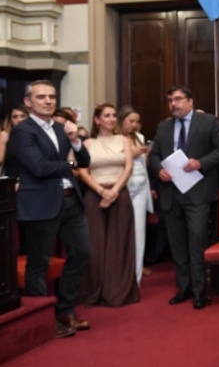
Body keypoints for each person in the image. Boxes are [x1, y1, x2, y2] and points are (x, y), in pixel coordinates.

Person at [5, 80, 91, 338]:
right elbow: (39, 168)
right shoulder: (22, 131)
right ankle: (43, 321)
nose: (48, 101)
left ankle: (65, 310)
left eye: (51, 97)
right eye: (41, 97)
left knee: (81, 253)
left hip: (70, 201)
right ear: (28, 102)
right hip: (40, 204)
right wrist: (70, 165)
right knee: (38, 264)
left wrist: (75, 140)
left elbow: (85, 160)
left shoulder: (61, 128)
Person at [149, 85, 219, 309]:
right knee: (177, 244)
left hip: (197, 193)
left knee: (196, 242)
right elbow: (154, 154)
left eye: (178, 99)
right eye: (170, 100)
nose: (173, 104)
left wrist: (200, 163)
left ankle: (199, 290)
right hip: (170, 193)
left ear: (190, 101)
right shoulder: (164, 126)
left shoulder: (208, 122)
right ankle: (183, 287)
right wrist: (158, 170)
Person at [77, 103, 138, 306]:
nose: (112, 119)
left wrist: (113, 191)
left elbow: (128, 168)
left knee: (119, 244)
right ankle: (94, 290)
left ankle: (117, 291)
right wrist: (101, 191)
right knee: (94, 244)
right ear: (97, 120)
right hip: (94, 195)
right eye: (106, 115)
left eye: (113, 115)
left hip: (120, 194)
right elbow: (83, 171)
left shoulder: (124, 140)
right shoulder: (88, 144)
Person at [118, 105, 155, 283]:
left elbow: (145, 167)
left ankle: (136, 277)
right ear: (121, 120)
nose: (134, 125)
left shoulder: (139, 137)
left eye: (137, 121)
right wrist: (130, 154)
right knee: (121, 232)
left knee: (139, 232)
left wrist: (146, 155)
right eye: (130, 121)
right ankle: (121, 274)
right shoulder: (115, 139)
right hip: (122, 187)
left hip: (140, 186)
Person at [0, 105, 29, 172]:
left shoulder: (35, 135)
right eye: (15, 117)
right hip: (12, 175)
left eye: (23, 116)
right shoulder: (5, 135)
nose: (19, 120)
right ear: (10, 120)